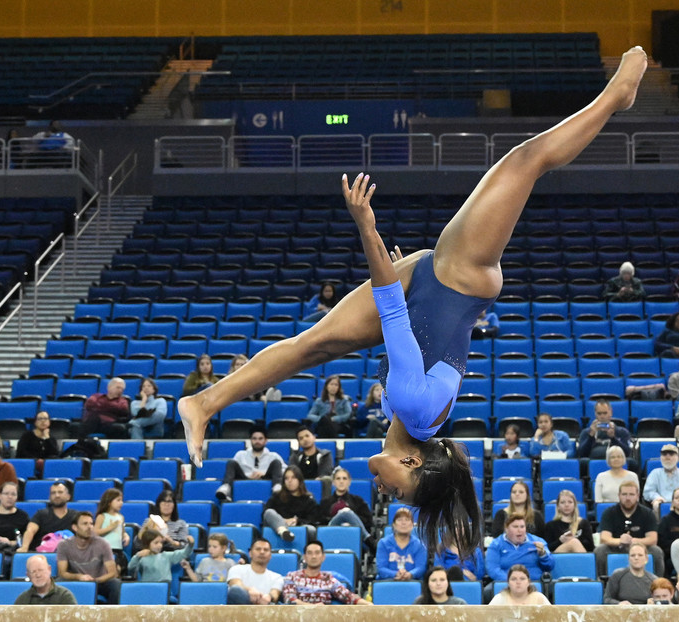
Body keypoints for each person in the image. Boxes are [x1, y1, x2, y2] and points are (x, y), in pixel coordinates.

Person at [177, 47, 651, 557]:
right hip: (458, 273)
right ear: (410, 465)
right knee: (527, 161)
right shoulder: (410, 402)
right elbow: (390, 307)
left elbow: (418, 328)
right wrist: (367, 227)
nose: (385, 492)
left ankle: (203, 401)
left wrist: (409, 281)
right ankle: (614, 97)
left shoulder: (413, 418)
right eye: (396, 492)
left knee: (308, 345)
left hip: (430, 287)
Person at [594, 480, 664, 578]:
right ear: (619, 495)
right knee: (600, 550)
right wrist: (620, 541)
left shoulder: (647, 513)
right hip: (617, 548)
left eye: (631, 494)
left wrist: (635, 541)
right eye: (624, 494)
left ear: (637, 496)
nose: (628, 498)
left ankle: (658, 584)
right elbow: (605, 538)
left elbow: (653, 539)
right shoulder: (609, 513)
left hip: (640, 549)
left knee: (656, 551)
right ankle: (603, 582)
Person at [56, 511, 121, 605]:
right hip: (75, 581)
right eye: (85, 524)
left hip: (99, 582)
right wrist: (78, 577)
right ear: (75, 527)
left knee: (116, 584)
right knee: (58, 582)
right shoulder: (64, 545)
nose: (90, 527)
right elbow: (62, 572)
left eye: (91, 524)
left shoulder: (103, 544)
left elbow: (112, 573)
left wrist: (95, 581)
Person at [282, 540, 371, 605]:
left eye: (317, 553)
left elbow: (347, 596)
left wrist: (367, 604)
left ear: (323, 557)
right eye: (310, 553)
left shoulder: (328, 578)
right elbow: (290, 600)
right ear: (304, 557)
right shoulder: (292, 576)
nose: (313, 556)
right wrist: (312, 608)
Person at [215, 426, 284, 502]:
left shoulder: (274, 455)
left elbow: (286, 471)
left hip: (266, 477)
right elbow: (232, 471)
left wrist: (263, 474)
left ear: (266, 441)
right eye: (254, 438)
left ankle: (277, 488)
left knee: (276, 463)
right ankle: (226, 487)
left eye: (260, 439)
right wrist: (250, 476)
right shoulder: (241, 454)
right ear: (250, 440)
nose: (257, 441)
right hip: (245, 477)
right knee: (231, 463)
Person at [485, 514, 555, 586]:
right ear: (506, 528)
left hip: (534, 582)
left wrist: (543, 555)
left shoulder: (538, 542)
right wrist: (512, 581)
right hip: (506, 583)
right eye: (515, 527)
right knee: (487, 592)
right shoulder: (496, 544)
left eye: (522, 527)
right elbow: (492, 569)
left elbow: (550, 566)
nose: (519, 530)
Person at [129, 527, 194, 600]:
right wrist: (137, 556)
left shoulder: (166, 556)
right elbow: (130, 568)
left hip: (165, 590)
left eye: (161, 542)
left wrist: (190, 545)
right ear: (147, 544)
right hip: (148, 590)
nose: (160, 545)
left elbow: (184, 553)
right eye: (156, 543)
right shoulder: (142, 558)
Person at [318, 466, 375, 549]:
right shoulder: (325, 502)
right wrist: (340, 522)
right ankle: (369, 541)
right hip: (331, 532)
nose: (341, 481)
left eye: (344, 478)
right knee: (345, 512)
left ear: (349, 482)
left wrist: (351, 522)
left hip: (352, 534)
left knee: (347, 514)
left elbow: (368, 521)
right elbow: (319, 521)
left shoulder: (358, 501)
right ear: (333, 482)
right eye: (338, 479)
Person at [263, 465, 321, 543]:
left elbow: (313, 520)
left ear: (299, 480)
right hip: (277, 527)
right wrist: (282, 520)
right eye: (286, 478)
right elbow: (266, 514)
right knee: (269, 512)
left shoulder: (309, 500)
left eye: (293, 477)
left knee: (311, 529)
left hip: (298, 527)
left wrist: (296, 521)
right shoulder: (276, 497)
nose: (289, 481)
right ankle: (283, 531)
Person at [17, 481, 73, 552]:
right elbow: (30, 530)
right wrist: (24, 547)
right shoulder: (41, 514)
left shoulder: (75, 516)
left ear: (68, 496)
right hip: (43, 554)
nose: (57, 495)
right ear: (49, 497)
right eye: (53, 493)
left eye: (60, 492)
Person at [225, 537, 282, 604]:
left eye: (266, 550)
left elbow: (275, 594)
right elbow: (235, 584)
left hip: (264, 609)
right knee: (235, 591)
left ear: (270, 555)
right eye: (258, 549)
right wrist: (249, 590)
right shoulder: (237, 569)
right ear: (250, 553)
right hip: (240, 607)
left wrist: (268, 597)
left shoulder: (277, 577)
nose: (262, 552)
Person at [376, 507, 427, 581]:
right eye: (399, 520)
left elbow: (421, 568)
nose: (403, 523)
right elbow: (381, 568)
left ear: (412, 524)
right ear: (394, 525)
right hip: (388, 581)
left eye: (407, 520)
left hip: (412, 582)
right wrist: (395, 574)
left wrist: (410, 574)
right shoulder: (383, 543)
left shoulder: (419, 545)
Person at [656, 488, 679, 577]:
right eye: (677, 498)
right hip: (672, 556)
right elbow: (661, 542)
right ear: (672, 502)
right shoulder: (665, 521)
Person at [544, 488, 593, 553]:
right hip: (559, 557)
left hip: (579, 555)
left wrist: (575, 539)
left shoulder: (583, 523)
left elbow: (591, 547)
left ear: (574, 505)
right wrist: (560, 541)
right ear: (558, 506)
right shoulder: (551, 525)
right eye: (562, 502)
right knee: (573, 542)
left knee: (574, 542)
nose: (566, 505)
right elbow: (547, 548)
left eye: (570, 502)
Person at [289, 428, 334, 495]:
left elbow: (325, 473)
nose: (305, 439)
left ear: (314, 437)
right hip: (300, 489)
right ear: (299, 443)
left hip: (320, 488)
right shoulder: (295, 457)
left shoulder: (325, 455)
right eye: (301, 438)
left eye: (307, 436)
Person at [95, 489, 130, 569]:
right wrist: (109, 528)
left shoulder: (121, 517)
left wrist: (126, 536)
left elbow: (122, 532)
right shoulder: (102, 516)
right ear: (109, 502)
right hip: (105, 550)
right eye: (118, 500)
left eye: (121, 500)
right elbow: (95, 532)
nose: (121, 503)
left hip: (118, 550)